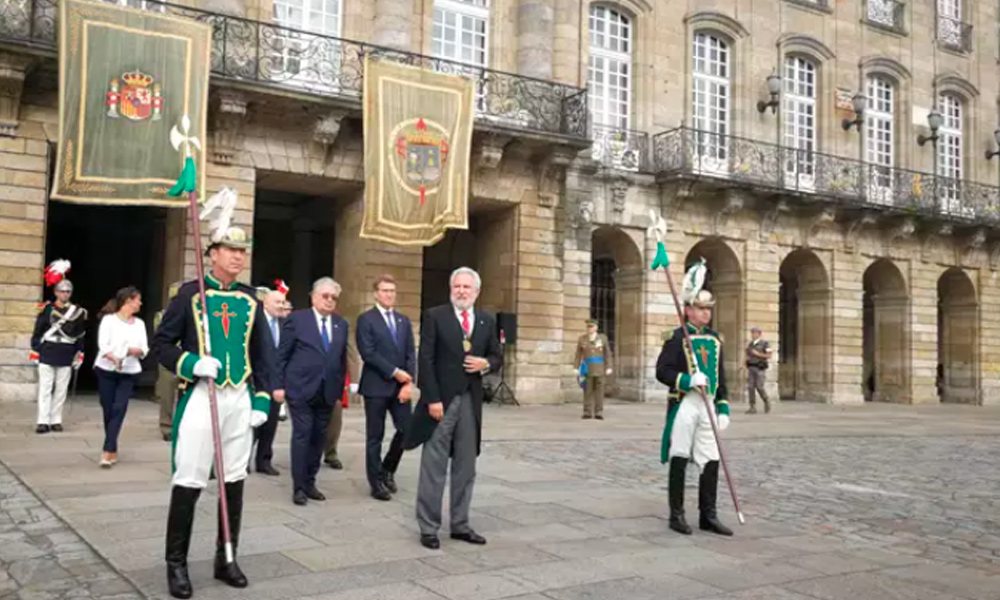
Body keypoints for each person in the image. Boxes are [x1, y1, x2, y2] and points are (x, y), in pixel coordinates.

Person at [151, 226, 273, 599]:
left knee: (234, 479)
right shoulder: (189, 295)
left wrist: (263, 400)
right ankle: (176, 564)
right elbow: (162, 344)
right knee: (189, 479)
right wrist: (191, 363)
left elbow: (263, 353)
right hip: (202, 396)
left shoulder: (252, 299)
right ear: (212, 253)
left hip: (239, 397)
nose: (238, 256)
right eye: (230, 249)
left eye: (242, 250)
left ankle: (226, 557)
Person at [404, 267, 502, 550]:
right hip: (441, 402)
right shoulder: (436, 316)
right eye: (457, 286)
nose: (461, 291)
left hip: (470, 402)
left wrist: (486, 364)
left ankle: (460, 524)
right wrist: (432, 399)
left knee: (466, 465)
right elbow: (427, 359)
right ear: (451, 289)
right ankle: (429, 527)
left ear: (476, 292)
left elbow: (497, 356)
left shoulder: (485, 321)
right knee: (433, 465)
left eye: (466, 287)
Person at [656, 288, 733, 537]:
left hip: (707, 403)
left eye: (708, 309)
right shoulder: (676, 337)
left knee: (711, 456)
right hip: (684, 402)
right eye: (701, 308)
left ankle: (708, 514)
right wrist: (687, 380)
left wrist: (723, 406)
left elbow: (721, 376)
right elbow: (662, 371)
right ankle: (676, 514)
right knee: (679, 453)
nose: (706, 313)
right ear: (688, 310)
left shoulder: (715, 339)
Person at [272, 277, 349, 506]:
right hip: (301, 389)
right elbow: (281, 355)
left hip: (327, 391)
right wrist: (278, 385)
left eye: (333, 297)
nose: (329, 301)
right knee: (302, 434)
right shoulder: (297, 320)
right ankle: (298, 487)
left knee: (319, 437)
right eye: (325, 296)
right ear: (314, 296)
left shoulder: (341, 324)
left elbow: (341, 359)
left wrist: (340, 388)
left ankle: (310, 481)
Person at [356, 274, 415, 501]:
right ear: (376, 293)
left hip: (401, 388)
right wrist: (394, 372)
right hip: (376, 386)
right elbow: (368, 353)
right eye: (385, 290)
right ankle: (376, 482)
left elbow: (411, 353)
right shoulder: (366, 319)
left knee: (406, 430)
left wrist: (408, 382)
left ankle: (387, 469)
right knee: (375, 436)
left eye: (392, 290)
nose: (389, 294)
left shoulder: (403, 321)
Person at [30, 261, 87, 434]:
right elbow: (38, 331)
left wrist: (80, 353)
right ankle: (42, 421)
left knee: (61, 389)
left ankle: (56, 420)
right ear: (55, 292)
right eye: (62, 291)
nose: (65, 294)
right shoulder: (47, 309)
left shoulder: (77, 312)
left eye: (68, 291)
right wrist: (35, 349)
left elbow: (80, 334)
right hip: (48, 350)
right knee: (45, 388)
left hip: (66, 352)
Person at [94, 286, 148, 467]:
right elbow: (103, 344)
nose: (140, 303)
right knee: (108, 409)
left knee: (119, 408)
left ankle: (107, 449)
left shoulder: (139, 324)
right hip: (106, 370)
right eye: (137, 299)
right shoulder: (109, 321)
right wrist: (114, 357)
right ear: (128, 301)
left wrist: (133, 351)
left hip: (129, 371)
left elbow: (144, 348)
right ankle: (113, 446)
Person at [252, 287, 288, 476]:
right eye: (277, 302)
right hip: (256, 381)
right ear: (265, 303)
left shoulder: (284, 324)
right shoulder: (255, 322)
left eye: (283, 302)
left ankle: (264, 461)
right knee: (253, 425)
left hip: (276, 383)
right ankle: (241, 462)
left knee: (271, 424)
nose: (281, 306)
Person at [154, 282, 183, 442]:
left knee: (184, 394)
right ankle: (166, 426)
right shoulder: (163, 315)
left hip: (185, 357)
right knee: (167, 396)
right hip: (168, 360)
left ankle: (181, 424)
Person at [574, 319, 614, 420]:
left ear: (596, 327)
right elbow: (578, 355)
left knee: (600, 392)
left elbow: (607, 354)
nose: (589, 328)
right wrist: (576, 367)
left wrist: (609, 366)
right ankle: (587, 411)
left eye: (591, 326)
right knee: (587, 391)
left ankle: (599, 412)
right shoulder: (582, 339)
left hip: (600, 368)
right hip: (587, 369)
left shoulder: (602, 338)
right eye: (588, 327)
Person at [746, 326, 772, 414]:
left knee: (759, 386)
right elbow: (748, 355)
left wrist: (758, 354)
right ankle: (752, 407)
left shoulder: (765, 344)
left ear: (759, 334)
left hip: (760, 368)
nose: (753, 335)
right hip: (751, 367)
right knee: (750, 387)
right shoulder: (750, 344)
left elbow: (769, 355)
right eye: (752, 333)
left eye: (755, 333)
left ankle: (766, 400)